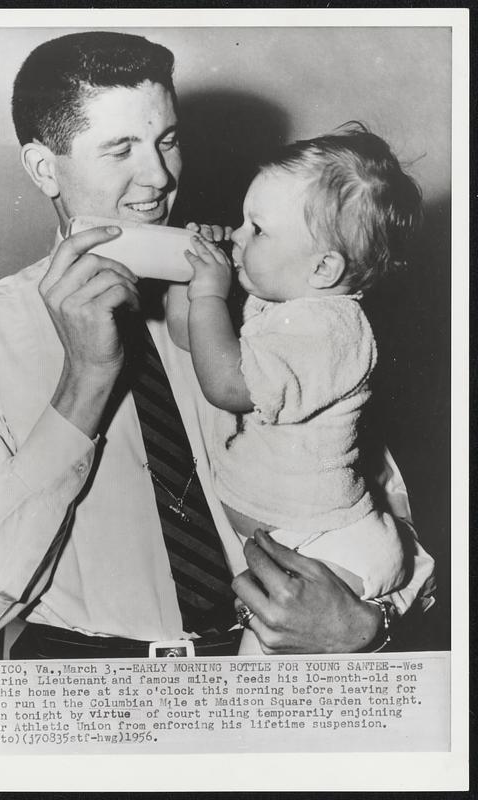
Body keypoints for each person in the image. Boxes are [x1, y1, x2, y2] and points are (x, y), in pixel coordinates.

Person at [0, 31, 435, 658]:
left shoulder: (272, 298)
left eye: (167, 140)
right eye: (121, 149)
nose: (159, 177)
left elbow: (381, 516)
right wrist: (84, 380)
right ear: (43, 168)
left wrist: (366, 622)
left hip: (266, 682)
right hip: (90, 691)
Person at [167, 126, 420, 611]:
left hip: (330, 542)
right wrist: (190, 276)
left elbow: (226, 383)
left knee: (264, 668)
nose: (238, 235)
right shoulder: (282, 303)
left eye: (256, 229)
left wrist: (208, 293)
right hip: (292, 538)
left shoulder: (331, 330)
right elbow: (191, 339)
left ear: (323, 269)